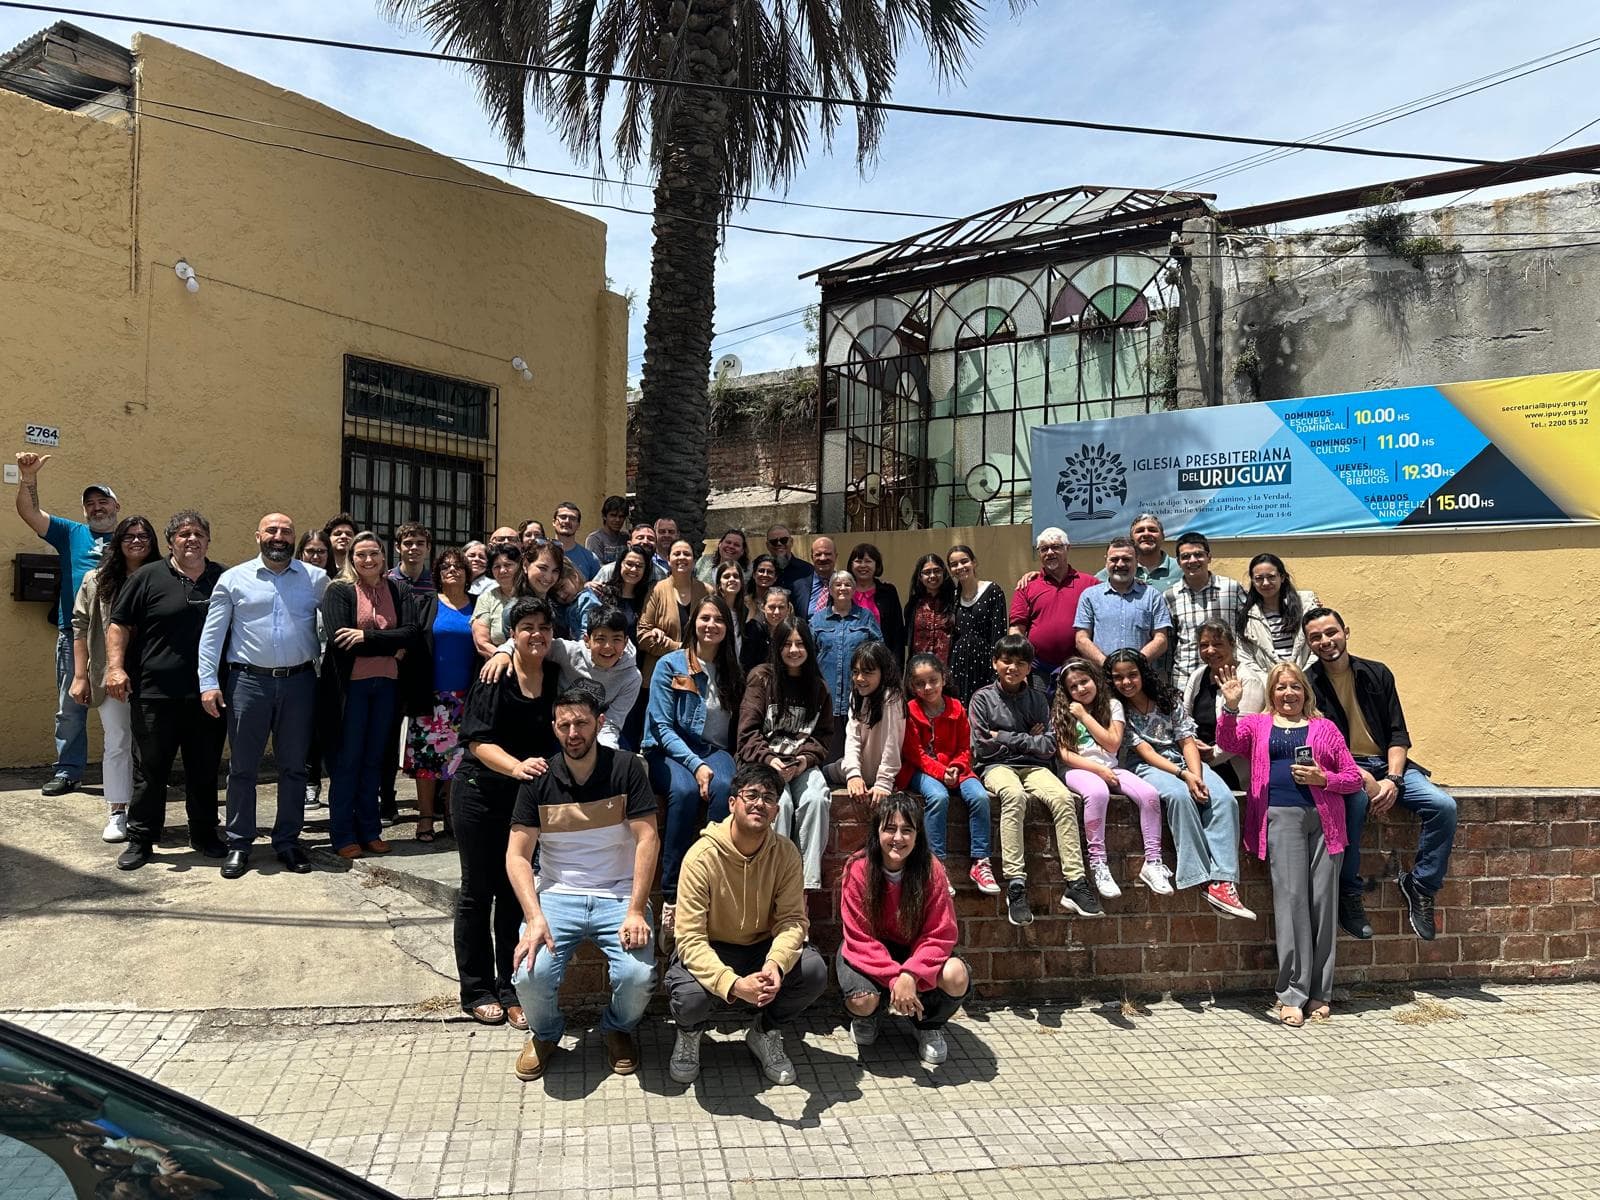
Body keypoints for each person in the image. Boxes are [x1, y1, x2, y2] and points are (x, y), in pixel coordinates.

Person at [506, 682, 658, 1080]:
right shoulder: (538, 779)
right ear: (554, 728)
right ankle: (546, 1033)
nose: (573, 734)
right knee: (529, 973)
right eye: (564, 725)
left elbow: (647, 839)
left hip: (619, 895)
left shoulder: (626, 768)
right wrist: (534, 917)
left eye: (582, 724)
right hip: (558, 895)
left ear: (599, 723)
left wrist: (637, 909)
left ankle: (617, 1028)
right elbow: (517, 856)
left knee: (638, 976)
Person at [664, 763, 828, 1087]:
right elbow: (690, 939)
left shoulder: (786, 854)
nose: (759, 803)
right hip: (712, 947)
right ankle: (689, 1034)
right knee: (689, 997)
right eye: (750, 794)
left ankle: (765, 1032)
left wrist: (775, 965)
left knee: (813, 971)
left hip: (761, 949)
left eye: (768, 798)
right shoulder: (701, 856)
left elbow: (793, 920)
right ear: (732, 802)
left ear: (776, 810)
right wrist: (734, 985)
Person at [1217, 662, 1363, 1025]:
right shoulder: (1257, 724)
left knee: (1323, 906)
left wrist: (1322, 777)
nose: (1288, 694)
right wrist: (1231, 706)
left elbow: (1351, 778)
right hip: (1281, 819)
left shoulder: (1324, 728)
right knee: (1292, 903)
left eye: (1295, 687)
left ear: (1305, 692)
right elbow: (1227, 742)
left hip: (1325, 822)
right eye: (1281, 687)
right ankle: (1292, 995)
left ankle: (1320, 992)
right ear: (1271, 693)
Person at [1303, 607, 1456, 943]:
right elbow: (1320, 745)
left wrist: (1393, 780)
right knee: (1355, 802)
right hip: (1345, 768)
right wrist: (1360, 777)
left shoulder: (1376, 673)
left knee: (1443, 806)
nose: (1326, 641)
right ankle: (1349, 894)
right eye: (1316, 637)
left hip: (1390, 766)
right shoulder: (1309, 685)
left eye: (1331, 632)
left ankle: (1421, 886)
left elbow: (1398, 734)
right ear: (1308, 643)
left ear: (1345, 631)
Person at [199, 513, 328, 879]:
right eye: (271, 530)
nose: (279, 536)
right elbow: (212, 636)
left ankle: (288, 841)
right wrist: (208, 682)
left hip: (299, 683)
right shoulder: (233, 579)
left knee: (293, 768)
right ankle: (240, 843)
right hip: (248, 684)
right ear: (258, 536)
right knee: (243, 768)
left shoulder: (316, 579)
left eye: (286, 531)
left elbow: (338, 623)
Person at [452, 596, 562, 1026]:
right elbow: (476, 741)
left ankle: (510, 986)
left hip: (526, 801)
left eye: (543, 627)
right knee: (477, 894)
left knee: (516, 894)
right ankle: (476, 989)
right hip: (481, 793)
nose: (536, 634)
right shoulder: (493, 675)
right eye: (527, 627)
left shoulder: (554, 674)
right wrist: (517, 766)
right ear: (512, 634)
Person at [106, 510, 226, 871]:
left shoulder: (223, 578)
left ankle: (204, 834)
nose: (192, 540)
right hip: (155, 693)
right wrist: (115, 667)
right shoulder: (147, 576)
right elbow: (118, 625)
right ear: (171, 540)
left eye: (198, 534)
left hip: (209, 695)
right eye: (184, 534)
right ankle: (142, 840)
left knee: (204, 769)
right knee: (151, 771)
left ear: (208, 539)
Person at [1105, 648, 1254, 920]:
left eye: (1132, 675)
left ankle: (1223, 881)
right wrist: (1183, 776)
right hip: (1147, 765)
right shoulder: (1117, 709)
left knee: (1223, 798)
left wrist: (1195, 774)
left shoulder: (1168, 699)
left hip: (1185, 757)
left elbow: (1187, 741)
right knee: (1179, 797)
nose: (1126, 682)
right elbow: (1146, 752)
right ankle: (1200, 876)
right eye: (1118, 677)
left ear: (1143, 674)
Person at [970, 633, 1099, 925]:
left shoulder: (1039, 700)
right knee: (1013, 797)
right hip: (996, 766)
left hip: (1034, 767)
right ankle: (1016, 884)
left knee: (1064, 799)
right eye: (1006, 661)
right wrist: (1029, 737)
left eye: (1020, 663)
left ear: (1030, 668)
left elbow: (1049, 746)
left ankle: (1076, 883)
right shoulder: (982, 698)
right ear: (995, 663)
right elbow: (981, 745)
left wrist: (1003, 735)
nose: (1012, 667)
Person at [13, 452, 119, 796]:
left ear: (116, 506)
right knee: (70, 709)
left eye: (103, 501)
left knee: (127, 707)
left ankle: (136, 769)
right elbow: (29, 513)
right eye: (90, 504)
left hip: (120, 637)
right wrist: (28, 478)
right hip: (73, 635)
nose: (96, 507)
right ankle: (69, 770)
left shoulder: (133, 538)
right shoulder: (71, 533)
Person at [840, 792, 970, 1065]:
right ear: (877, 832)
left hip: (915, 950)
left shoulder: (931, 869)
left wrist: (911, 974)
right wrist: (895, 977)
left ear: (917, 835)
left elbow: (940, 933)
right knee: (862, 1001)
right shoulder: (859, 869)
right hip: (867, 951)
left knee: (957, 975)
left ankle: (927, 1025)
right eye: (890, 828)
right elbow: (859, 937)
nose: (898, 838)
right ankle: (870, 1018)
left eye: (906, 830)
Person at [644, 594, 743, 949]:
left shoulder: (733, 670)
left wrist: (710, 763)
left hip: (714, 751)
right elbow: (662, 727)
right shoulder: (670, 665)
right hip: (669, 749)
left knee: (727, 789)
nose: (711, 625)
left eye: (718, 619)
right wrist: (696, 765)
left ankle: (709, 888)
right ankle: (672, 895)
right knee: (684, 792)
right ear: (693, 624)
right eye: (704, 618)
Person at [316, 532, 416, 860]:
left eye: (374, 553)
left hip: (386, 686)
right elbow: (339, 640)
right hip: (352, 688)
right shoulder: (339, 591)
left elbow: (412, 633)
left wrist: (367, 636)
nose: (368, 560)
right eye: (361, 555)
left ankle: (370, 830)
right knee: (348, 761)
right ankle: (343, 833)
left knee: (374, 760)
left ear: (384, 556)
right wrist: (389, 644)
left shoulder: (398, 589)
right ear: (351, 559)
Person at [1053, 657, 1170, 900]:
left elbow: (1112, 742)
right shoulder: (1063, 710)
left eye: (1084, 682)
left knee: (1149, 795)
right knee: (1097, 793)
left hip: (1111, 767)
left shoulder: (1113, 705)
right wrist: (1097, 771)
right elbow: (1065, 754)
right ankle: (1098, 864)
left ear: (1094, 679)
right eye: (1073, 687)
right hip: (1079, 770)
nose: (1080, 689)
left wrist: (1085, 716)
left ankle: (1153, 862)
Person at [70, 515, 156, 843]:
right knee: (118, 740)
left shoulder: (164, 575)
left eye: (143, 536)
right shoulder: (98, 579)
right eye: (129, 536)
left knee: (152, 746)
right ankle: (117, 810)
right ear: (118, 542)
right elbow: (79, 627)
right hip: (110, 674)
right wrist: (80, 676)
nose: (136, 541)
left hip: (153, 674)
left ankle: (148, 810)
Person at [736, 617, 834, 891]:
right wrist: (770, 761)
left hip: (800, 764)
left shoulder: (819, 688)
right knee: (782, 804)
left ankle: (803, 887)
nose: (793, 650)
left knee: (817, 798)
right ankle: (772, 883)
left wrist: (804, 761)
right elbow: (747, 733)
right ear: (777, 647)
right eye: (787, 644)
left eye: (800, 644)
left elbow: (823, 737)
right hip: (764, 762)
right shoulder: (761, 678)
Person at [899, 653, 997, 894]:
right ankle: (935, 863)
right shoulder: (910, 711)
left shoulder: (956, 707)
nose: (927, 687)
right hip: (921, 771)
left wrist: (957, 767)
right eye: (920, 683)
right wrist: (943, 773)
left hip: (957, 768)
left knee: (980, 797)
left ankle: (980, 861)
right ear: (912, 686)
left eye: (933, 680)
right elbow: (916, 754)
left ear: (943, 678)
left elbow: (965, 747)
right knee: (938, 797)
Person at [484, 603, 642, 751]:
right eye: (600, 639)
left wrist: (601, 755)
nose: (608, 647)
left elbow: (612, 722)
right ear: (587, 640)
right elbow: (535, 642)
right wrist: (503, 652)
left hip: (597, 731)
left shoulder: (631, 677)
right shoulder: (568, 652)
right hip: (558, 726)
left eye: (616, 639)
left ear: (626, 641)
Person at [404, 547, 479, 843]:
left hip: (467, 697)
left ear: (467, 573)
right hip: (431, 695)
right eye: (446, 566)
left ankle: (450, 814)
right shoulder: (427, 603)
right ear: (438, 574)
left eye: (459, 566)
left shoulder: (478, 605)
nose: (453, 570)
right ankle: (425, 817)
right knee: (426, 762)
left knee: (457, 761)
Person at [1184, 620, 1267, 790]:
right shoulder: (1198, 676)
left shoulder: (1249, 680)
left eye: (1218, 644)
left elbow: (1241, 735)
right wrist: (1191, 746)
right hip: (1196, 760)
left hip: (1232, 768)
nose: (1210, 650)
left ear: (1232, 644)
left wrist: (1212, 755)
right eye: (1204, 645)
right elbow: (1184, 719)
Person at [1160, 531, 1247, 693]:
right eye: (1186, 556)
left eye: (1198, 555)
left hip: (1228, 675)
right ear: (1178, 562)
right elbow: (1170, 642)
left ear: (1209, 557)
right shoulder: (1170, 596)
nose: (1192, 560)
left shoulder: (1231, 589)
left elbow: (1248, 630)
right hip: (1185, 677)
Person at [1009, 527, 1096, 681]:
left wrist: (1132, 580)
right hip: (1039, 671)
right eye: (1044, 549)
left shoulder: (1090, 583)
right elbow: (1017, 629)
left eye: (1055, 547)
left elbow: (1114, 589)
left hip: (1079, 669)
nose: (1049, 552)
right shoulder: (1026, 585)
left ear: (1067, 548)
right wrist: (1020, 664)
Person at [813, 571, 883, 759]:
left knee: (856, 740)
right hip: (827, 692)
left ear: (853, 589)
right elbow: (809, 654)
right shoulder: (818, 619)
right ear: (830, 590)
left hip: (858, 690)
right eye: (838, 584)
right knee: (830, 746)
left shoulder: (865, 617)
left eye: (847, 584)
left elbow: (879, 650)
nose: (842, 588)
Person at [1074, 538, 1173, 667]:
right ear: (1106, 561)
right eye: (1114, 559)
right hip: (1103, 677)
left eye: (1126, 559)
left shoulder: (1152, 595)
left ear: (1137, 561)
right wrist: (1107, 665)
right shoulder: (1090, 596)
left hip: (1142, 677)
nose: (1120, 564)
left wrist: (1135, 664)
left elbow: (1161, 639)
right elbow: (1081, 639)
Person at [829, 641, 905, 805]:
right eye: (855, 672)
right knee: (823, 772)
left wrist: (884, 783)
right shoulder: (857, 695)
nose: (860, 678)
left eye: (868, 672)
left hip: (880, 774)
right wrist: (854, 774)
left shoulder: (891, 698)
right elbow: (852, 738)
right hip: (857, 768)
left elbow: (892, 743)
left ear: (883, 673)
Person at [637, 538, 710, 692]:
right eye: (676, 554)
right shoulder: (657, 590)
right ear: (668, 559)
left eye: (686, 554)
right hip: (661, 676)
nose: (682, 557)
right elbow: (643, 636)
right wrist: (679, 648)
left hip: (699, 674)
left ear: (694, 559)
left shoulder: (707, 591)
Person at [297, 530, 334, 807]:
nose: (316, 556)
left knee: (327, 730)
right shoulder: (293, 583)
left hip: (329, 668)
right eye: (310, 550)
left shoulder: (333, 585)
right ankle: (310, 782)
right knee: (305, 731)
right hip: (301, 667)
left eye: (321, 551)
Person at [1236, 553, 1321, 671]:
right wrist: (1271, 682)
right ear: (1253, 581)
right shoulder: (1247, 615)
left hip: (1307, 680)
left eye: (1271, 577)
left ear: (1282, 577)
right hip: (1267, 684)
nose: (1265, 583)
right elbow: (1245, 657)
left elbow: (1318, 644)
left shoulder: (1305, 606)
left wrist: (1303, 678)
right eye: (1259, 578)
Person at [946, 544, 1007, 702]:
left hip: (984, 661)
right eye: (954, 564)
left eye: (964, 561)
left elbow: (999, 633)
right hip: (959, 663)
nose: (960, 567)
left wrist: (996, 667)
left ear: (974, 563)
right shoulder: (953, 596)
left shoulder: (992, 591)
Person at [845, 543, 905, 659]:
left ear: (876, 565)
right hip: (848, 658)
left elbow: (897, 633)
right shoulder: (843, 590)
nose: (863, 565)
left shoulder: (888, 592)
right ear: (851, 565)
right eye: (858, 561)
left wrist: (897, 666)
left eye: (868, 561)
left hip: (881, 658)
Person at [1095, 513, 1180, 589]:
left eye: (1152, 530)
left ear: (1163, 537)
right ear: (1131, 539)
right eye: (1140, 531)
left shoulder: (1180, 569)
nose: (1146, 534)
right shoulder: (1111, 573)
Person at [472, 542, 527, 655]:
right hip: (498, 664)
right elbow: (481, 642)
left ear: (520, 566)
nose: (502, 571)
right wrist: (503, 656)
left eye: (508, 565)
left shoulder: (531, 593)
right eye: (497, 567)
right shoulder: (486, 598)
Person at [903, 554, 954, 666]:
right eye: (927, 572)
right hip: (919, 668)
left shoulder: (954, 601)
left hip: (948, 668)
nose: (932, 575)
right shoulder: (914, 604)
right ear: (920, 577)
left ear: (944, 573)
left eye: (936, 571)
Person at [740, 584, 792, 673]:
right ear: (763, 607)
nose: (776, 612)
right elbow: (747, 665)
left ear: (788, 609)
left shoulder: (790, 631)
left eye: (781, 607)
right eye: (772, 607)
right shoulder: (753, 629)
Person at [552, 501, 600, 581]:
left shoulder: (590, 558)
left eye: (573, 518)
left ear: (578, 525)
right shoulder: (542, 552)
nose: (567, 521)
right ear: (554, 522)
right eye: (563, 517)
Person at [764, 524, 813, 597]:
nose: (779, 544)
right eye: (774, 541)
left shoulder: (808, 570)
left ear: (791, 542)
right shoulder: (762, 572)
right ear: (768, 545)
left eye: (784, 540)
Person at [713, 561, 748, 662]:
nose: (732, 579)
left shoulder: (744, 611)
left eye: (736, 576)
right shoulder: (712, 609)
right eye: (727, 576)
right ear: (719, 584)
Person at [389, 522, 435, 595]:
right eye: (408, 543)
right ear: (397, 547)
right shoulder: (386, 580)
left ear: (428, 547)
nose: (414, 547)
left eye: (420, 543)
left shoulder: (437, 583)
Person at [584, 494, 630, 567]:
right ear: (604, 516)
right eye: (613, 515)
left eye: (621, 516)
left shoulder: (626, 538)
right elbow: (597, 566)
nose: (617, 520)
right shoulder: (595, 539)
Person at [804, 535, 838, 612]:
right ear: (812, 558)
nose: (823, 558)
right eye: (818, 554)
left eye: (828, 554)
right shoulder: (800, 585)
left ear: (836, 556)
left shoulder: (844, 584)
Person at [746, 554, 780, 618]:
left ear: (775, 577)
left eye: (769, 572)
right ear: (753, 574)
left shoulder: (783, 604)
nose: (765, 575)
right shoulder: (744, 603)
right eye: (761, 571)